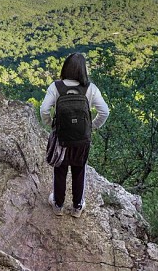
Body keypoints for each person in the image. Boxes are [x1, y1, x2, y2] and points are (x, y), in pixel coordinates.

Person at [40, 52, 109, 218]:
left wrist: (52, 124)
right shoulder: (90, 89)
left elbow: (43, 110)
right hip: (81, 139)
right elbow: (104, 112)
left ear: (65, 68)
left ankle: (58, 205)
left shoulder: (56, 87)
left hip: (62, 138)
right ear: (83, 71)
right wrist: (91, 127)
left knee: (60, 169)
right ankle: (77, 207)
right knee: (79, 171)